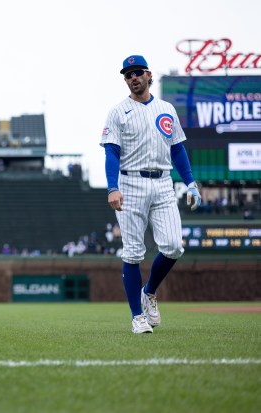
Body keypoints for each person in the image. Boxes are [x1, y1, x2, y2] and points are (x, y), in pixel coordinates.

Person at [100, 55, 201, 334]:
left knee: (174, 246)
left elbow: (178, 148)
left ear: (148, 75)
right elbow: (111, 151)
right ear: (125, 79)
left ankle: (149, 292)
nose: (133, 77)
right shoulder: (118, 111)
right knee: (133, 252)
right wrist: (112, 186)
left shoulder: (166, 108)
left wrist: (190, 182)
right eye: (128, 74)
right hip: (131, 183)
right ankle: (137, 316)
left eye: (137, 72)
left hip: (163, 182)